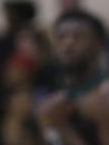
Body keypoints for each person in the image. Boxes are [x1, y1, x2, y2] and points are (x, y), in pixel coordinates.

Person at [37, 9, 109, 144]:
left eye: (78, 36)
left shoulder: (104, 96)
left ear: (98, 44)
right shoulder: (55, 102)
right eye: (61, 37)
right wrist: (58, 127)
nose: (68, 43)